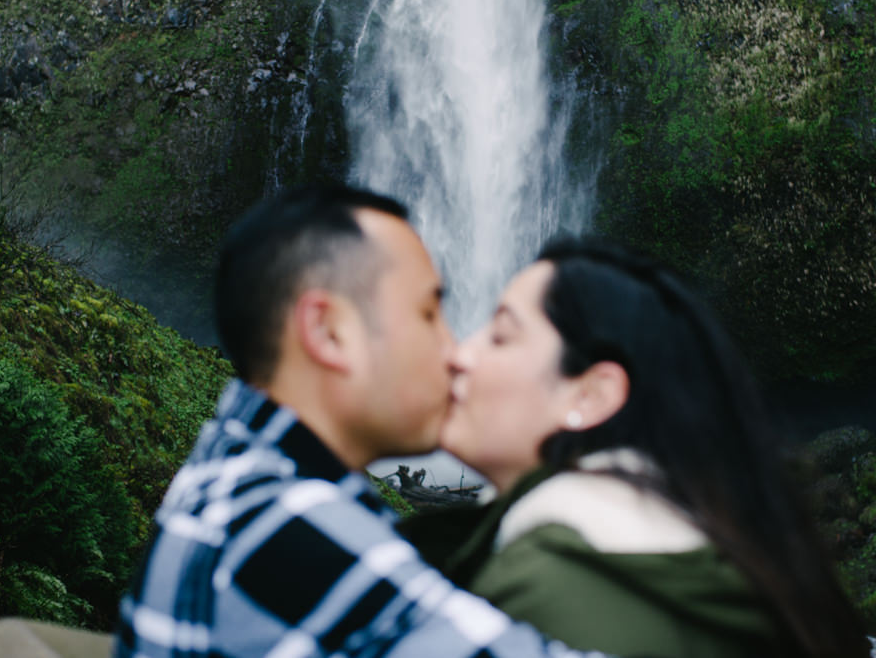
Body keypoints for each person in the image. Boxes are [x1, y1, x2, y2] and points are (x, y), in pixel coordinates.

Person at [113, 185, 612, 658]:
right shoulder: (289, 528)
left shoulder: (234, 479)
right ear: (329, 333)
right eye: (428, 314)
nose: (455, 352)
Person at [402, 238, 870, 658]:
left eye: (500, 335)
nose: (458, 355)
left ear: (590, 395)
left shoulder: (550, 589)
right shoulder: (716, 560)